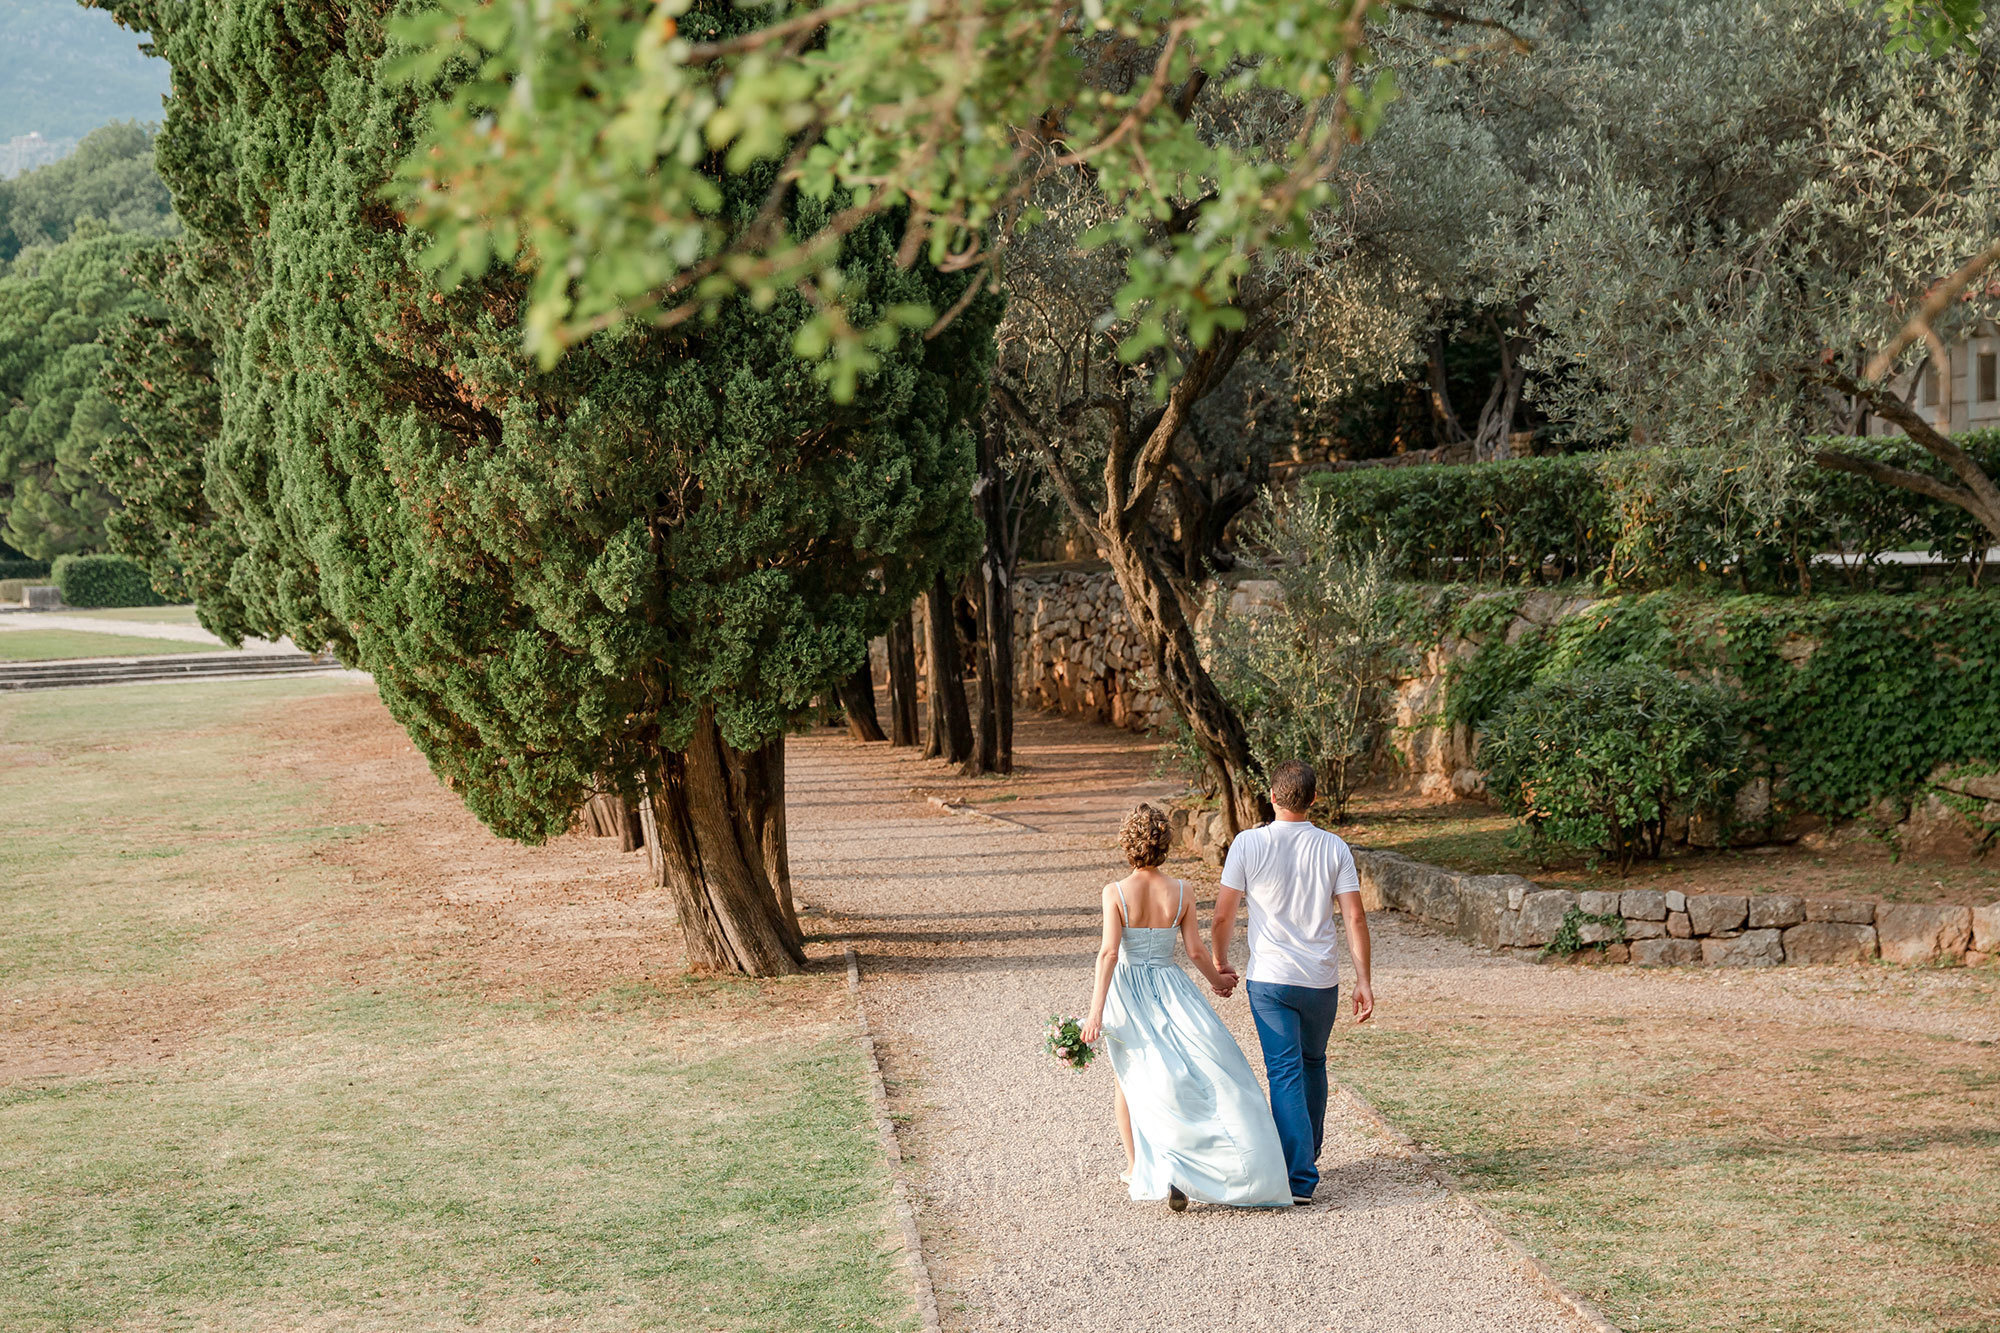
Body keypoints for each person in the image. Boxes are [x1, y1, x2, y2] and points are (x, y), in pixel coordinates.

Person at [1079, 804, 1293, 1211]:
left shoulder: (1115, 892)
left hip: (1128, 990)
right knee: (1196, 1069)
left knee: (1132, 1078)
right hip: (1171, 986)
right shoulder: (1182, 891)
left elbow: (1108, 953)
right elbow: (1195, 951)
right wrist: (1218, 982)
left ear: (1128, 843)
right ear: (1165, 843)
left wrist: (1095, 1013)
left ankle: (1138, 1165)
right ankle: (1197, 1163)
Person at [1211, 759, 1374, 1207]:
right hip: (1321, 980)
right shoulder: (1334, 848)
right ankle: (1309, 1150)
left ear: (1272, 796)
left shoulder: (1248, 844)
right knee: (1313, 1062)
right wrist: (1364, 979)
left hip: (1271, 980)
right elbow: (1354, 916)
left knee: (1284, 1071)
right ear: (1314, 800)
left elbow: (1224, 913)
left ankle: (1299, 1177)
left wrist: (1220, 961)